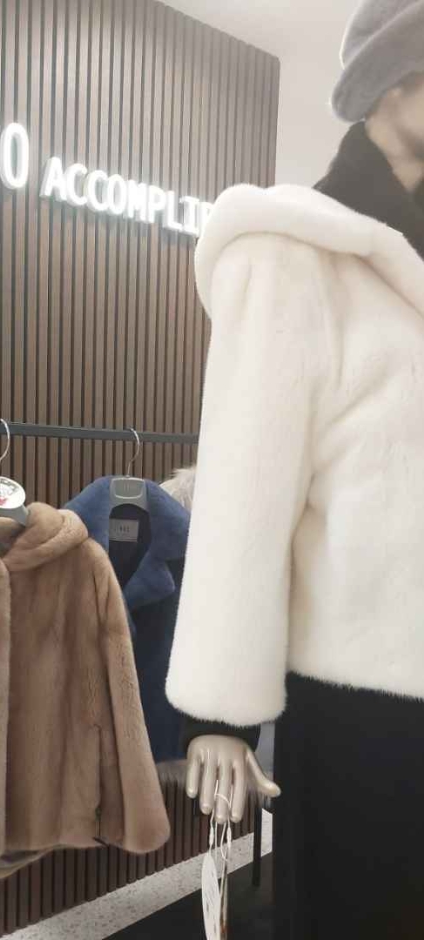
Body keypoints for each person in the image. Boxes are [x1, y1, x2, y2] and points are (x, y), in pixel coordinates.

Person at [164, 1, 424, 936]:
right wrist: (220, 714)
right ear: (389, 85)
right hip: (360, 704)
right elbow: (244, 492)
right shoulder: (293, 252)